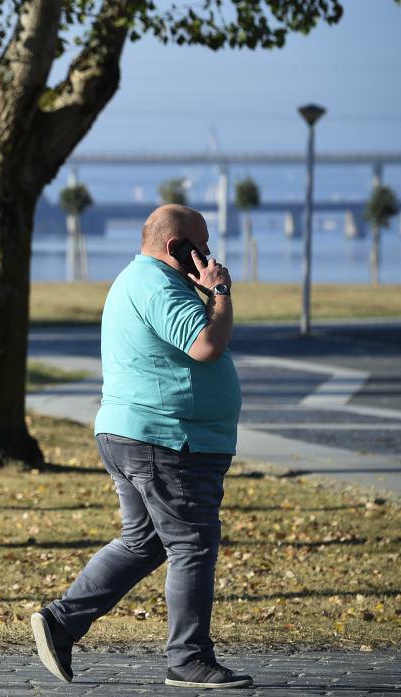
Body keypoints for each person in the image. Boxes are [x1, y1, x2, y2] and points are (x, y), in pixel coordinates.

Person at [30, 204, 250, 689]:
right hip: (168, 440)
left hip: (138, 435)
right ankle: (189, 659)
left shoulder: (145, 281)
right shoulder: (156, 285)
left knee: (143, 542)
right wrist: (219, 291)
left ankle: (61, 622)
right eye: (202, 245)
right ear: (177, 247)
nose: (209, 254)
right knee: (192, 544)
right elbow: (206, 345)